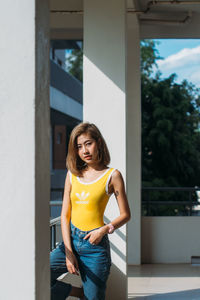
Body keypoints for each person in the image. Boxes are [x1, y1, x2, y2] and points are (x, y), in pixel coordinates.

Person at [50, 122, 131, 300]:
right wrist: (69, 253)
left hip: (95, 247)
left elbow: (126, 214)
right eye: (79, 146)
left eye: (88, 143)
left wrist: (104, 229)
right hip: (69, 243)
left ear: (99, 143)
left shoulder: (113, 176)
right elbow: (64, 215)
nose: (84, 150)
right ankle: (74, 292)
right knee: (38, 273)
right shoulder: (72, 174)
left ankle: (85, 294)